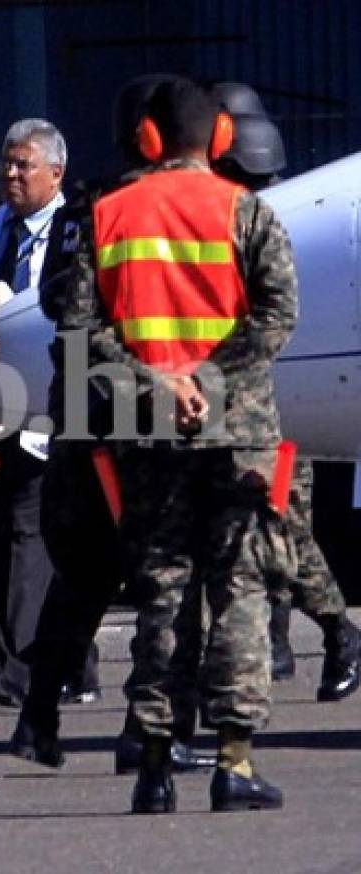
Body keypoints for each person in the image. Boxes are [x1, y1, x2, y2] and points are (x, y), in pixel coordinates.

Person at [60, 78, 298, 813]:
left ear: (147, 140)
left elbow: (78, 328)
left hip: (149, 431)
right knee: (240, 592)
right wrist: (208, 375)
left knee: (161, 592)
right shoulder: (247, 211)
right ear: (222, 139)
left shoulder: (105, 216)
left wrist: (157, 381)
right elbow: (278, 313)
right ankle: (234, 761)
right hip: (238, 431)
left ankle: (156, 765)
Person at [9, 73, 216, 776]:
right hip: (146, 425)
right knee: (169, 581)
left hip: (81, 421)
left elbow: (52, 298)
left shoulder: (81, 209)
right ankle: (150, 728)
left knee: (86, 576)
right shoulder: (156, 210)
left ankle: (39, 713)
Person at [210, 81, 360, 701]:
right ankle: (282, 644)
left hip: (265, 415)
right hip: (257, 411)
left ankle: (334, 630)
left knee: (281, 536)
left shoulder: (261, 227)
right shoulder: (273, 217)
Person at [0, 118, 101, 710]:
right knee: (32, 537)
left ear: (56, 173)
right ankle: (73, 662)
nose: (11, 175)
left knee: (32, 531)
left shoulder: (73, 231)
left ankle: (11, 670)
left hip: (52, 405)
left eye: (24, 166)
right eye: (5, 165)